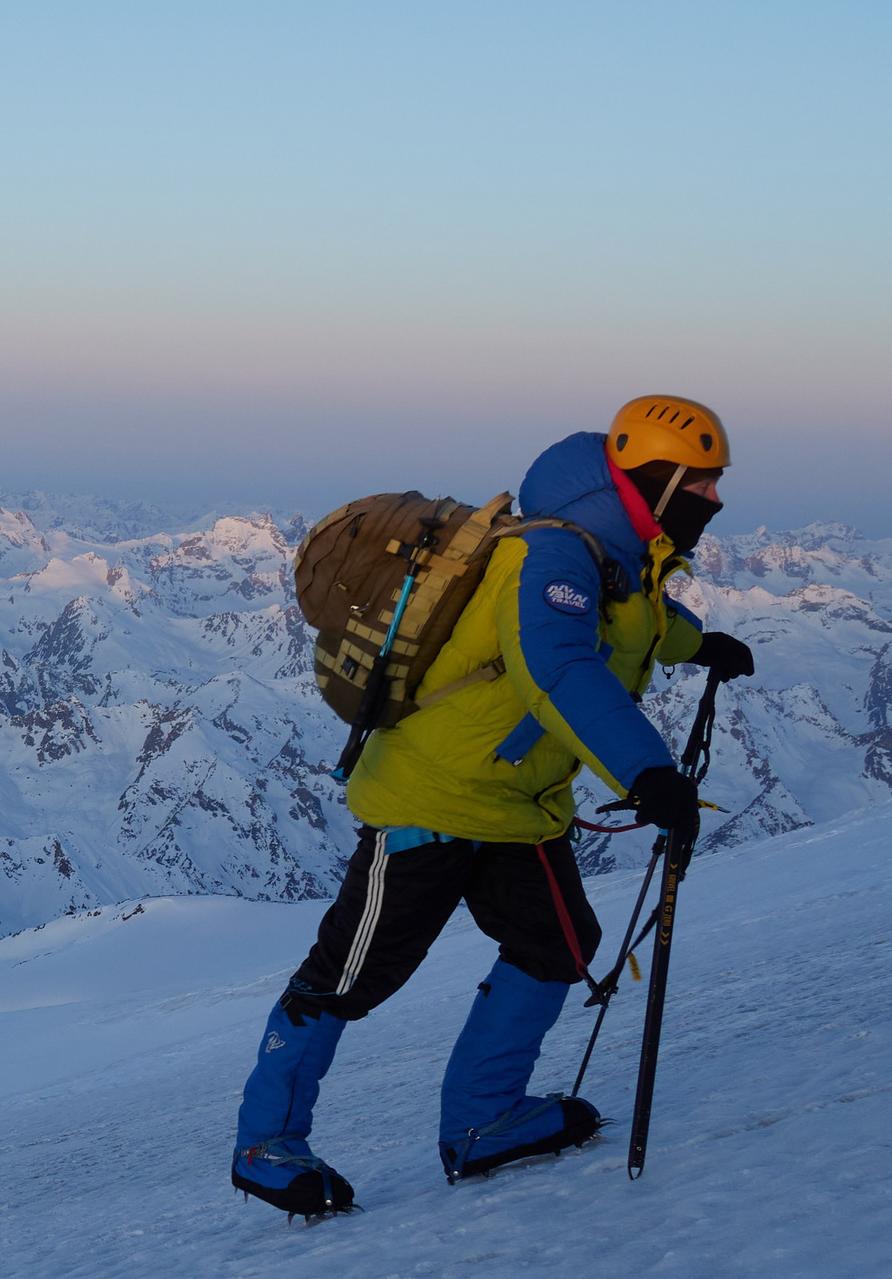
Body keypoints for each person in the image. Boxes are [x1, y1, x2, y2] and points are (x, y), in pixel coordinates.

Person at [232, 395, 759, 1213]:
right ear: (654, 483)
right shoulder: (550, 557)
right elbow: (561, 667)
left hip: (515, 803)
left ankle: (483, 1123)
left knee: (558, 942)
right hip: (433, 796)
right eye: (701, 485)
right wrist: (650, 776)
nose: (715, 501)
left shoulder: (618, 555)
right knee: (348, 974)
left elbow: (632, 624)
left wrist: (701, 645)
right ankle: (266, 1143)